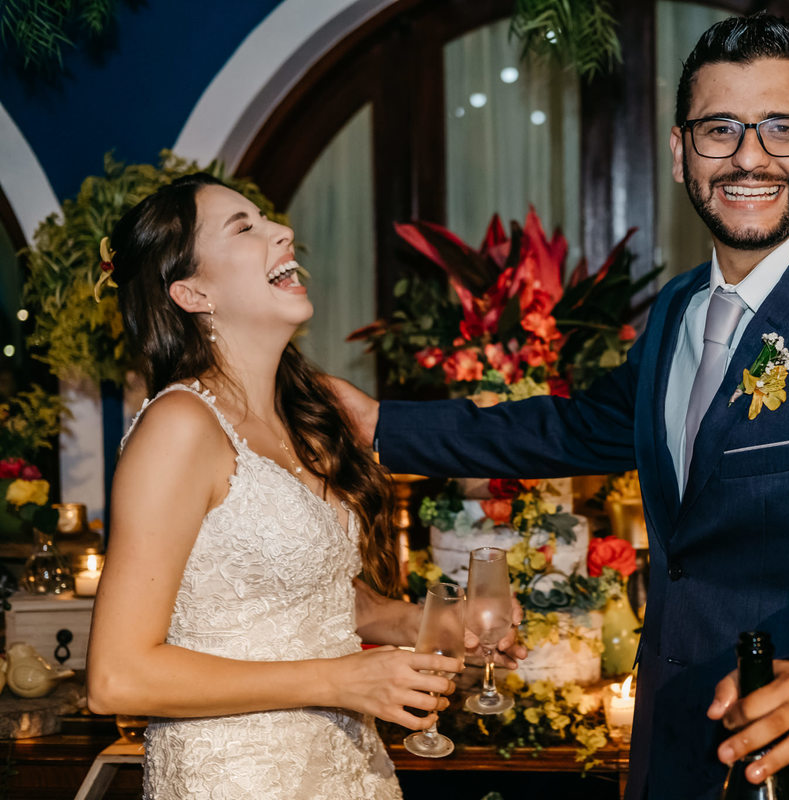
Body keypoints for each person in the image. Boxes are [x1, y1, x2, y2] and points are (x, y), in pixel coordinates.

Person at [331, 13, 789, 800]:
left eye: (782, 128)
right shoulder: (680, 307)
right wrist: (381, 426)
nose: (750, 156)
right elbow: (580, 425)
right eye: (720, 129)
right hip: (677, 755)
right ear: (681, 154)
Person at [86, 173, 523, 799]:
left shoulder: (305, 418)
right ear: (192, 292)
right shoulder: (179, 426)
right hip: (237, 778)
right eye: (244, 227)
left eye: (268, 218)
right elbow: (117, 677)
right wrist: (339, 680)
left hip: (346, 768)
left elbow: (316, 599)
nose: (282, 231)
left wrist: (435, 625)